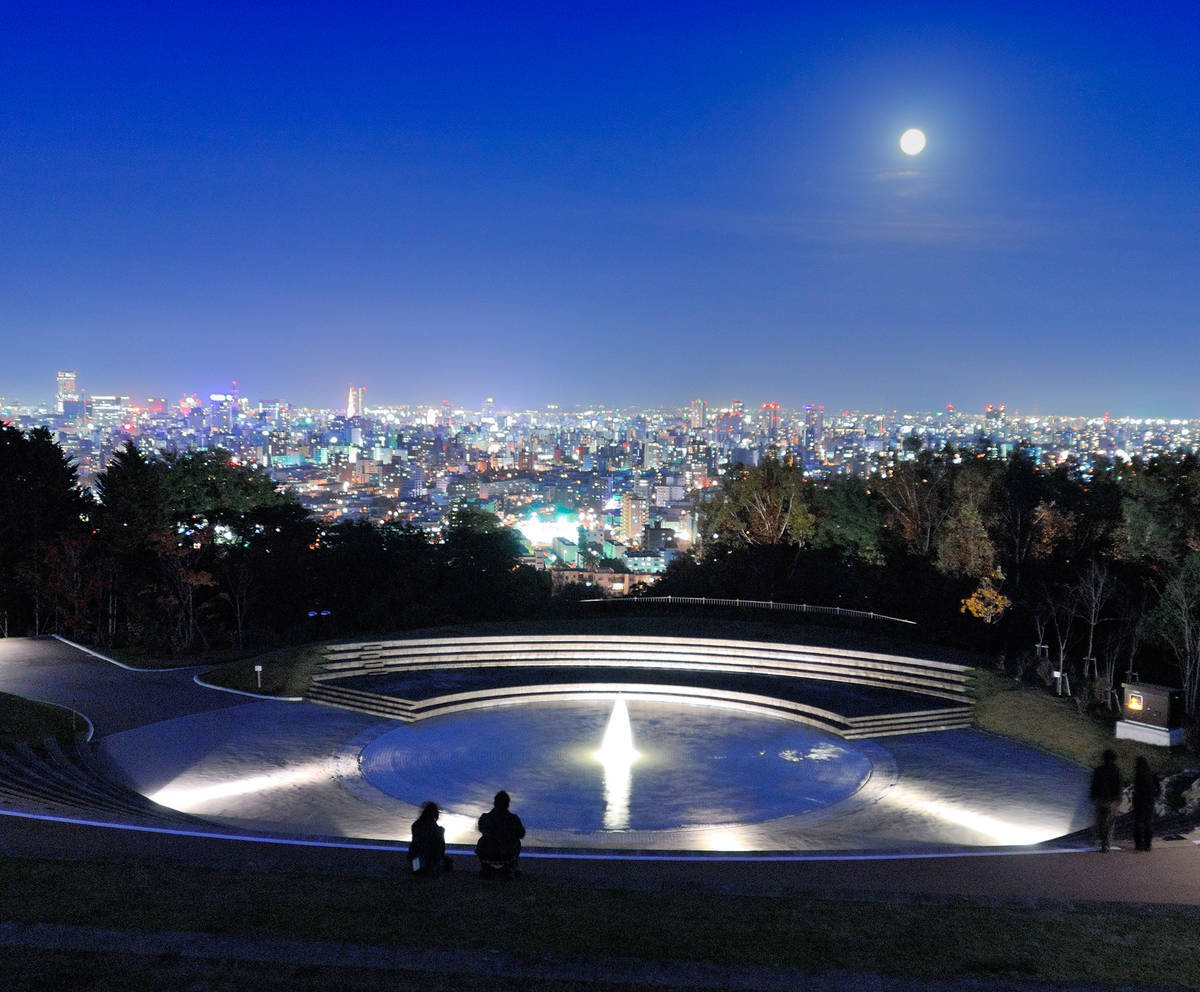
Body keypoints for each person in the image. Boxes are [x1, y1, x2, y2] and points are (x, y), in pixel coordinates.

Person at [475, 789, 525, 878]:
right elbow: (521, 834)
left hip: (489, 853)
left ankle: (487, 868)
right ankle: (511, 867)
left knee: (482, 840)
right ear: (508, 804)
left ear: (494, 803)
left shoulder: (485, 818)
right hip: (506, 853)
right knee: (517, 842)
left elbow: (481, 829)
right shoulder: (513, 819)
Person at [1089, 749, 1122, 853]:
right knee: (1110, 823)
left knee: (1100, 821)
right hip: (1111, 800)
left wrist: (1093, 796)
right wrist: (1118, 798)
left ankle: (1100, 840)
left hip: (1100, 799)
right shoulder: (1116, 770)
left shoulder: (1098, 770)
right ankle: (1106, 844)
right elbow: (1118, 786)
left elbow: (1094, 785)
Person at [407, 801, 452, 875]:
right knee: (447, 864)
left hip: (416, 859)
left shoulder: (416, 825)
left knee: (417, 867)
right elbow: (441, 848)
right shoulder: (438, 830)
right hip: (430, 860)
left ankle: (417, 871)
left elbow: (415, 845)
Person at [1131, 756, 1161, 852]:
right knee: (1148, 822)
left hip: (1140, 801)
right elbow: (1158, 787)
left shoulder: (1138, 774)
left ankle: (1139, 844)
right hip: (1150, 801)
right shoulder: (1152, 774)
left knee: (1139, 822)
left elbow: (1137, 788)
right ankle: (1148, 844)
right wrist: (1155, 795)